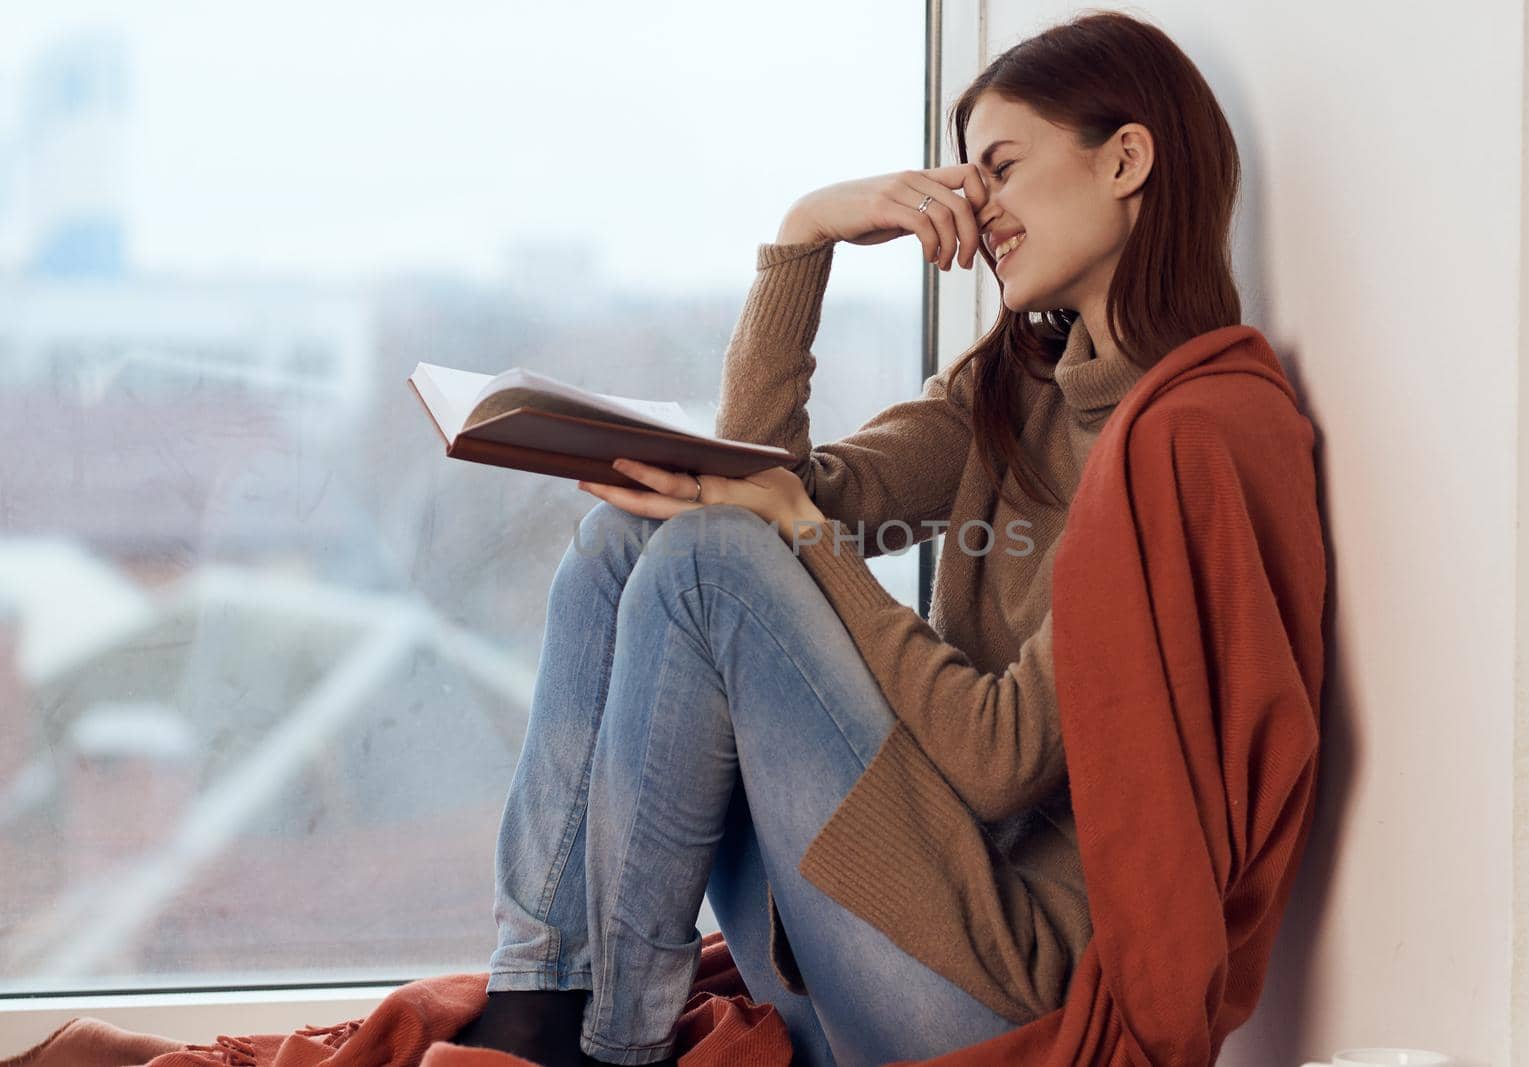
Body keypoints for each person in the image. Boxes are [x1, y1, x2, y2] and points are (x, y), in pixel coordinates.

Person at [449, 11, 1256, 1067]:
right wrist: (806, 235)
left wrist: (801, 533)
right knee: (626, 539)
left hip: (994, 982)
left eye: (1002, 169)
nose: (984, 210)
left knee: (708, 560)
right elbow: (768, 480)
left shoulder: (1182, 436)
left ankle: (618, 1046)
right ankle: (539, 995)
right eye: (971, 181)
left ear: (1127, 158)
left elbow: (1005, 759)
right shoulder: (1018, 386)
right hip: (897, 914)